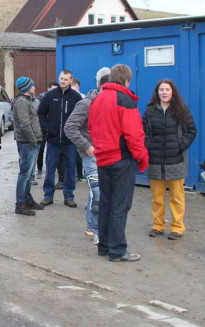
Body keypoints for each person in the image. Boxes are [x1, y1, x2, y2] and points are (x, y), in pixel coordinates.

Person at [88, 64, 148, 262]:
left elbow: (92, 128)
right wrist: (142, 157)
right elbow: (134, 134)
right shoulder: (125, 100)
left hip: (103, 158)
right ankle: (117, 250)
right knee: (120, 205)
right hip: (121, 159)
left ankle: (104, 246)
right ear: (127, 81)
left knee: (105, 203)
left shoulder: (98, 99)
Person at [142, 79, 197, 240]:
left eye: (167, 89)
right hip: (155, 161)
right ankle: (158, 225)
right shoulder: (150, 110)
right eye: (161, 90)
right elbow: (142, 131)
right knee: (157, 197)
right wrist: (149, 146)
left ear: (173, 92)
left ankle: (177, 227)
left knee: (177, 197)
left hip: (176, 161)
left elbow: (191, 131)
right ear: (157, 92)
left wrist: (180, 146)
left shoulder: (181, 109)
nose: (164, 92)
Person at [64, 67, 110, 245]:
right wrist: (87, 146)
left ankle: (92, 226)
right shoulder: (86, 104)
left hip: (106, 154)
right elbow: (70, 127)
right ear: (99, 83)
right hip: (92, 155)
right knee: (97, 192)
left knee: (97, 192)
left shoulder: (112, 102)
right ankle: (97, 230)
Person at [38, 70, 83, 208]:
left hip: (70, 141)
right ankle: (48, 195)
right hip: (53, 139)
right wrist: (47, 128)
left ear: (71, 81)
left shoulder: (76, 97)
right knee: (50, 168)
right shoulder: (50, 96)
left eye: (65, 79)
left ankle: (69, 196)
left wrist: (77, 131)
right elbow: (40, 113)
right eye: (61, 78)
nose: (63, 81)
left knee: (70, 168)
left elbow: (82, 115)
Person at [11, 77, 45, 216]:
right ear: (26, 88)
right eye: (32, 85)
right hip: (27, 143)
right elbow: (24, 124)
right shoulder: (21, 103)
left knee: (29, 174)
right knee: (24, 174)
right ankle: (20, 204)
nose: (35, 87)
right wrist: (33, 140)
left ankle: (27, 199)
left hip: (32, 142)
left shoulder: (27, 101)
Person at [34, 80, 58, 182]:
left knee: (54, 150)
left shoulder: (58, 98)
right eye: (52, 89)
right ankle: (39, 169)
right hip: (43, 128)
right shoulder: (42, 99)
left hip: (54, 128)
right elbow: (40, 113)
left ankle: (53, 169)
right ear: (48, 88)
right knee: (41, 149)